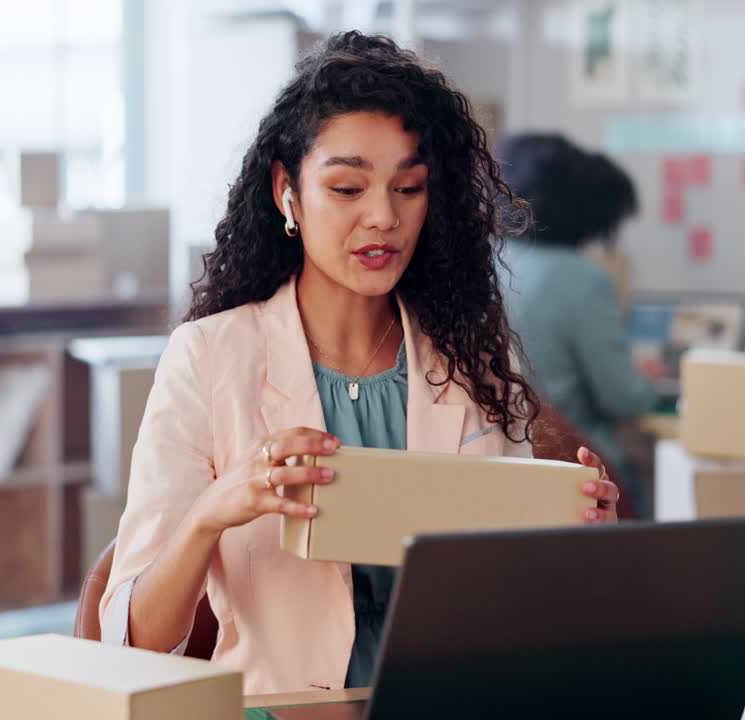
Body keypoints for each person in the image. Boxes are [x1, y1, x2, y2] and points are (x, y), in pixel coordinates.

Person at [99, 33, 619, 695]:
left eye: (409, 188)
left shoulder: (474, 357)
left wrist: (571, 535)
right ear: (286, 191)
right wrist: (214, 509)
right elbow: (134, 641)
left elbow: (517, 606)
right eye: (347, 188)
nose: (384, 217)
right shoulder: (208, 358)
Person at [499, 134, 658, 515]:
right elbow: (623, 398)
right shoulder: (583, 278)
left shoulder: (482, 259)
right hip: (576, 471)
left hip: (499, 466)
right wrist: (648, 380)